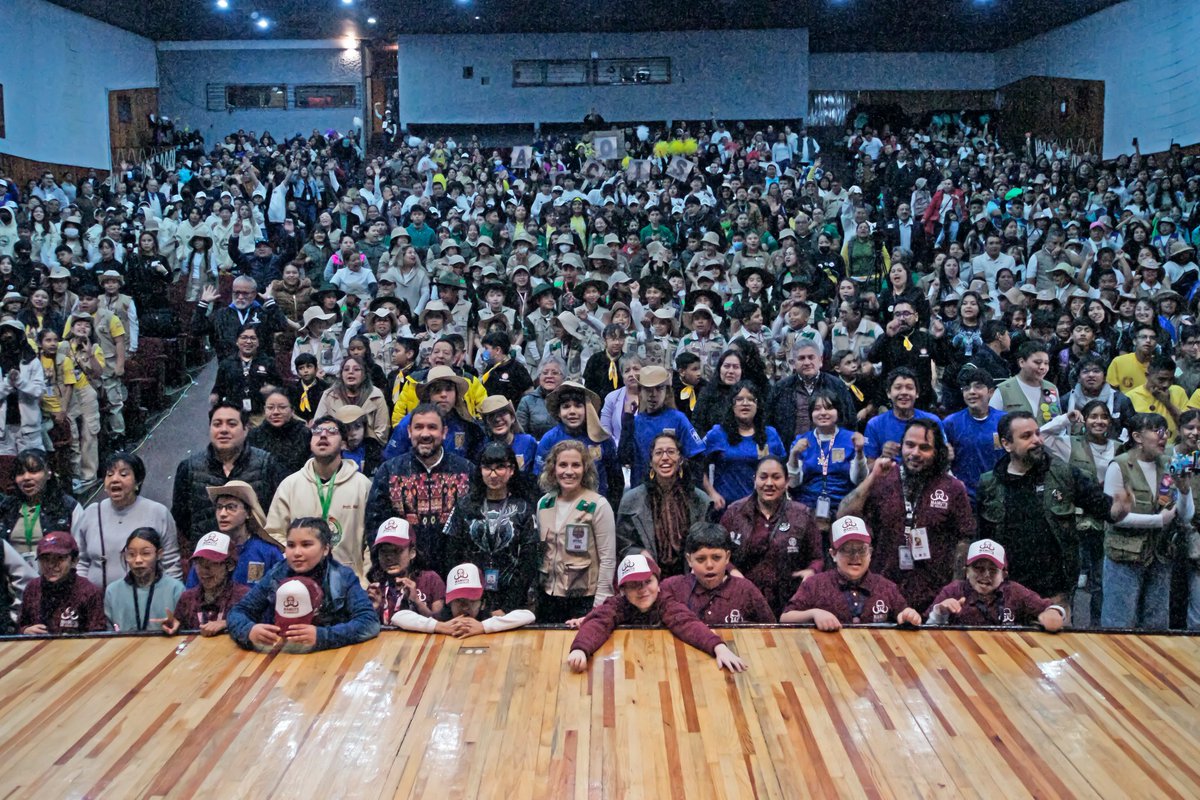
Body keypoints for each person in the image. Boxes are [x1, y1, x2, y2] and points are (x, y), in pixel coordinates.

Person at [976, 411, 1127, 616]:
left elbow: (1106, 509)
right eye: (1026, 436)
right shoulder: (989, 483)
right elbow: (981, 540)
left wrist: (1120, 507)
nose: (1037, 440)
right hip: (1005, 591)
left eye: (1037, 433)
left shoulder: (1063, 474)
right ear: (1007, 444)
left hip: (1055, 592)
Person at [838, 418, 975, 613]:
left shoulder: (952, 488)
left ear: (937, 453)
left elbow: (964, 539)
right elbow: (844, 515)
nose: (915, 453)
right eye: (910, 445)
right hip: (883, 589)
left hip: (934, 593)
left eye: (924, 447)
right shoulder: (884, 478)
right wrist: (872, 478)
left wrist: (955, 586)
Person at [566, 552, 747, 673]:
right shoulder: (616, 605)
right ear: (622, 590)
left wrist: (718, 647)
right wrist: (580, 649)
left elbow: (688, 623)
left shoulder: (665, 603)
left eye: (648, 582)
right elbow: (598, 622)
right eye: (634, 585)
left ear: (658, 583)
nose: (643, 590)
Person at [228, 517, 381, 652]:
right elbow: (237, 612)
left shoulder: (343, 577)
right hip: (282, 658)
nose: (297, 552)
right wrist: (249, 630)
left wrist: (322, 636)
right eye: (291, 545)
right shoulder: (275, 575)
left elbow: (369, 622)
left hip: (331, 658)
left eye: (306, 545)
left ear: (326, 549)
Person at [1101, 413, 1192, 629]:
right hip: (1124, 556)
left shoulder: (1169, 464)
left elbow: (1185, 515)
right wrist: (1157, 521)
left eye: (1166, 432)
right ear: (1137, 437)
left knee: (1157, 624)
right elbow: (1113, 518)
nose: (1163, 437)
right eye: (1156, 431)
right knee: (1119, 623)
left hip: (1160, 555)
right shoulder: (1119, 466)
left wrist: (1185, 491)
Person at [366, 403, 473, 575]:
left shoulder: (466, 471)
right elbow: (375, 527)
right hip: (403, 575)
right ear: (409, 432)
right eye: (418, 427)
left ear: (444, 432)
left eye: (432, 427)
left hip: (455, 575)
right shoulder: (389, 471)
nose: (425, 434)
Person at [171, 402, 283, 559]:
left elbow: (277, 515)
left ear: (246, 429)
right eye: (217, 424)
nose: (223, 430)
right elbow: (181, 518)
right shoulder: (189, 468)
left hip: (255, 556)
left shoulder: (266, 464)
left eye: (231, 424)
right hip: (206, 561)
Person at [266, 415, 372, 580]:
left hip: (349, 582)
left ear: (344, 443)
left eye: (331, 431)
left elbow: (371, 541)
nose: (323, 435)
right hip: (299, 580)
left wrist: (364, 580)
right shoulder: (290, 484)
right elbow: (274, 533)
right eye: (317, 432)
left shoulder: (362, 485)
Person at [443, 442, 539, 613]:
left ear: (511, 470)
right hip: (470, 597)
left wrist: (509, 606)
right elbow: (451, 555)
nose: (493, 474)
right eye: (488, 467)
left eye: (500, 467)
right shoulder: (464, 506)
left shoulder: (524, 508)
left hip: (512, 599)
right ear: (480, 470)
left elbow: (529, 562)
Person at [780, 515, 922, 630]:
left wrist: (909, 615)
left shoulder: (886, 588)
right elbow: (785, 618)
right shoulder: (815, 584)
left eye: (861, 550)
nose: (855, 556)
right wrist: (814, 614)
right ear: (833, 554)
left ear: (870, 553)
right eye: (847, 550)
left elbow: (904, 613)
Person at [720, 456, 823, 614]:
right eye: (763, 477)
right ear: (755, 480)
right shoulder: (734, 512)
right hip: (741, 595)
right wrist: (732, 571)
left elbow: (817, 558)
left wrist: (812, 571)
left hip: (789, 599)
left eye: (776, 477)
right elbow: (717, 551)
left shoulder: (802, 515)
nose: (769, 483)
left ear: (787, 481)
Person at [535, 439, 617, 623]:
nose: (569, 472)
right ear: (553, 469)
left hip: (585, 600)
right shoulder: (543, 503)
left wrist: (599, 606)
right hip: (549, 598)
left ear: (585, 469)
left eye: (576, 465)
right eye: (563, 465)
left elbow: (608, 559)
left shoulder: (598, 505)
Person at [77, 451, 181, 590]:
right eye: (109, 474)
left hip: (147, 601)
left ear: (137, 481)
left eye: (124, 474)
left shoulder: (158, 512)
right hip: (96, 602)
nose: (115, 479)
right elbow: (80, 562)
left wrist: (172, 598)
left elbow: (171, 564)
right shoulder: (91, 512)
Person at [616, 432, 711, 577]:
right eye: (658, 453)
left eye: (671, 452)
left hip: (690, 577)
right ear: (650, 462)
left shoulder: (700, 500)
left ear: (680, 459)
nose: (665, 458)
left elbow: (709, 541)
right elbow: (623, 543)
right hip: (648, 576)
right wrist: (641, 554)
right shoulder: (631, 500)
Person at [926, 539, 1067, 631]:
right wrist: (940, 612)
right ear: (966, 572)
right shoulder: (953, 591)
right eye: (978, 568)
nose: (986, 575)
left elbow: (1051, 607)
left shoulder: (1014, 591)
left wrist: (1053, 613)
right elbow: (926, 628)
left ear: (1004, 575)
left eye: (993, 570)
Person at [658, 524, 775, 624]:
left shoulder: (745, 590)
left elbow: (772, 631)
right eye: (701, 559)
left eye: (716, 558)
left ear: (727, 557)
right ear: (689, 560)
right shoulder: (672, 588)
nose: (709, 565)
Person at [389, 562, 537, 636]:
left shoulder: (490, 620)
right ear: (449, 602)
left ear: (483, 602)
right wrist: (440, 627)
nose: (465, 607)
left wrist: (484, 627)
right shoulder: (441, 620)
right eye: (459, 600)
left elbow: (528, 615)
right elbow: (398, 617)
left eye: (471, 600)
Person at [618, 365, 706, 490]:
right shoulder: (635, 422)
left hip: (673, 492)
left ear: (666, 392)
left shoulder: (678, 419)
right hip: (642, 492)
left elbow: (696, 457)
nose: (653, 395)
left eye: (659, 389)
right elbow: (623, 457)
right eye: (648, 389)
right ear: (640, 392)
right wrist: (627, 419)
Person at [702, 381, 786, 510]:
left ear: (758, 405)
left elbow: (783, 470)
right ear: (732, 404)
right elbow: (697, 465)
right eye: (739, 399)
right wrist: (711, 493)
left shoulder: (771, 434)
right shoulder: (717, 433)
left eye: (751, 399)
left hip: (764, 507)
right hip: (727, 508)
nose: (745, 403)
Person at [536, 381, 622, 506]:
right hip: (560, 507)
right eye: (566, 406)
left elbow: (616, 479)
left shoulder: (603, 439)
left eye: (578, 406)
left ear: (588, 409)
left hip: (597, 507)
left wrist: (612, 508)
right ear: (558, 412)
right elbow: (540, 480)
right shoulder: (549, 440)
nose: (572, 411)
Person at [787, 391, 867, 522]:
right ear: (811, 414)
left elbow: (859, 480)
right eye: (817, 409)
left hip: (844, 507)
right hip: (807, 507)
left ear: (838, 411)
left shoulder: (851, 439)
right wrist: (794, 455)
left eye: (829, 408)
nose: (823, 413)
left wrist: (859, 453)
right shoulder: (801, 441)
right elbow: (794, 483)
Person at [191, 480, 284, 587]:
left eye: (231, 507)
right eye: (219, 507)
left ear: (248, 513)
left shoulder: (267, 552)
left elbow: (280, 590)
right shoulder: (207, 550)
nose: (222, 514)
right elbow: (192, 594)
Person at [0, 448, 83, 566]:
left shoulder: (68, 507)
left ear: (48, 473)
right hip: (13, 580)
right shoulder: (6, 507)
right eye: (20, 473)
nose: (26, 477)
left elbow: (82, 553)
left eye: (33, 471)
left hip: (56, 578)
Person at [385, 365, 484, 462]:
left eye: (449, 389)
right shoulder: (409, 423)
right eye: (437, 390)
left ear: (456, 394)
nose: (444, 395)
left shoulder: (467, 426)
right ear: (428, 394)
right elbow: (390, 462)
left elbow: (477, 463)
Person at [767, 339, 856, 443]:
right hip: (791, 451)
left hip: (832, 448)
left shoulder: (836, 385)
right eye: (801, 358)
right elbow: (769, 423)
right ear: (793, 363)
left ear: (820, 360)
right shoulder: (781, 388)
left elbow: (850, 419)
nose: (807, 362)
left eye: (811, 357)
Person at [18, 530, 106, 634]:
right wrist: (25, 631)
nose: (51, 565)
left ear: (74, 561)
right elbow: (19, 626)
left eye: (59, 558)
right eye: (45, 559)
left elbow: (98, 634)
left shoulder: (89, 592)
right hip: (38, 647)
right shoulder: (33, 588)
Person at [943, 367, 1007, 505]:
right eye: (966, 388)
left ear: (990, 392)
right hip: (964, 497)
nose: (971, 392)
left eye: (978, 387)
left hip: (999, 495)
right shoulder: (951, 423)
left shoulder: (1004, 421)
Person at [365, 517, 446, 625]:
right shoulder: (377, 586)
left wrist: (417, 602)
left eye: (396, 551)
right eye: (384, 551)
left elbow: (441, 624)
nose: (389, 557)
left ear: (412, 552)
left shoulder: (431, 580)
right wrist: (374, 609)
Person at [167, 531, 250, 635]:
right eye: (199, 562)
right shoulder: (187, 599)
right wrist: (174, 627)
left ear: (230, 565)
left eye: (213, 563)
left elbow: (256, 627)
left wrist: (228, 623)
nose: (204, 570)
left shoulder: (243, 596)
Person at [104, 528, 185, 632]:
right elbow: (108, 633)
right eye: (131, 554)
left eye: (145, 553)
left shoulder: (175, 589)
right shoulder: (113, 591)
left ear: (159, 554)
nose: (138, 560)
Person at [866, 298, 941, 410]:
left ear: (915, 317)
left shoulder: (925, 338)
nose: (901, 318)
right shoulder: (887, 338)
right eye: (897, 314)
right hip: (892, 398)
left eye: (906, 314)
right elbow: (872, 358)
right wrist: (887, 336)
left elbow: (943, 360)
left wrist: (940, 339)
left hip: (921, 398)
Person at [863, 368, 943, 462]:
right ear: (888, 393)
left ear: (917, 393)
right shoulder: (874, 425)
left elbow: (943, 459)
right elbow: (868, 469)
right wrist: (883, 457)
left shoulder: (932, 421)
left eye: (909, 388)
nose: (904, 392)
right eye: (898, 387)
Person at [209, 324, 281, 424]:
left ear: (258, 342)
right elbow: (218, 388)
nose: (248, 341)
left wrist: (273, 389)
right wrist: (214, 396)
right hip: (234, 416)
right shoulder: (227, 364)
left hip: (260, 415)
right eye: (244, 337)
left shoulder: (267, 362)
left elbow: (281, 386)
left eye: (253, 338)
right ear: (237, 341)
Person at [314, 355, 390, 444]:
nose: (350, 372)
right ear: (341, 374)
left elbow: (382, 433)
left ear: (365, 374)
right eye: (346, 369)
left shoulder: (376, 395)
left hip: (368, 448)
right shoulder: (329, 395)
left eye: (356, 369)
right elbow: (317, 427)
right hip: (335, 447)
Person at [0, 318, 46, 455]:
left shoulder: (32, 361)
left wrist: (20, 382)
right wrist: (9, 383)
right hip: (3, 428)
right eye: (4, 334)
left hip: (29, 428)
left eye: (11, 334)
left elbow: (38, 390)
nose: (7, 337)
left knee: (32, 466)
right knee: (5, 470)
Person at [991, 342, 1062, 424]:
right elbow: (991, 424)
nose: (1043, 367)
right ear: (1021, 362)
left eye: (1046, 363)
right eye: (1037, 362)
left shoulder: (1051, 388)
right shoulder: (1003, 390)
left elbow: (1057, 422)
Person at [247, 390, 312, 476]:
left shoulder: (305, 434)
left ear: (292, 410)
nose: (276, 412)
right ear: (264, 410)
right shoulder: (254, 435)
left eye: (282, 407)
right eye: (270, 408)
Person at [1126, 355, 1189, 441]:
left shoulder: (1178, 391)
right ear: (1147, 375)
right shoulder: (1131, 397)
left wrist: (1167, 403)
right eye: (1161, 379)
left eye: (1171, 380)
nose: (1166, 385)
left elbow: (1187, 425)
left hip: (1172, 448)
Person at [478, 395, 537, 475]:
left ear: (512, 418)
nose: (497, 419)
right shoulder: (482, 447)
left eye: (502, 413)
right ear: (486, 423)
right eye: (491, 415)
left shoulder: (528, 442)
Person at [517, 356, 565, 439]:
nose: (549, 376)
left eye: (554, 373)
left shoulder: (570, 400)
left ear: (563, 378)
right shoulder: (527, 401)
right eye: (545, 373)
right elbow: (520, 434)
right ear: (539, 377)